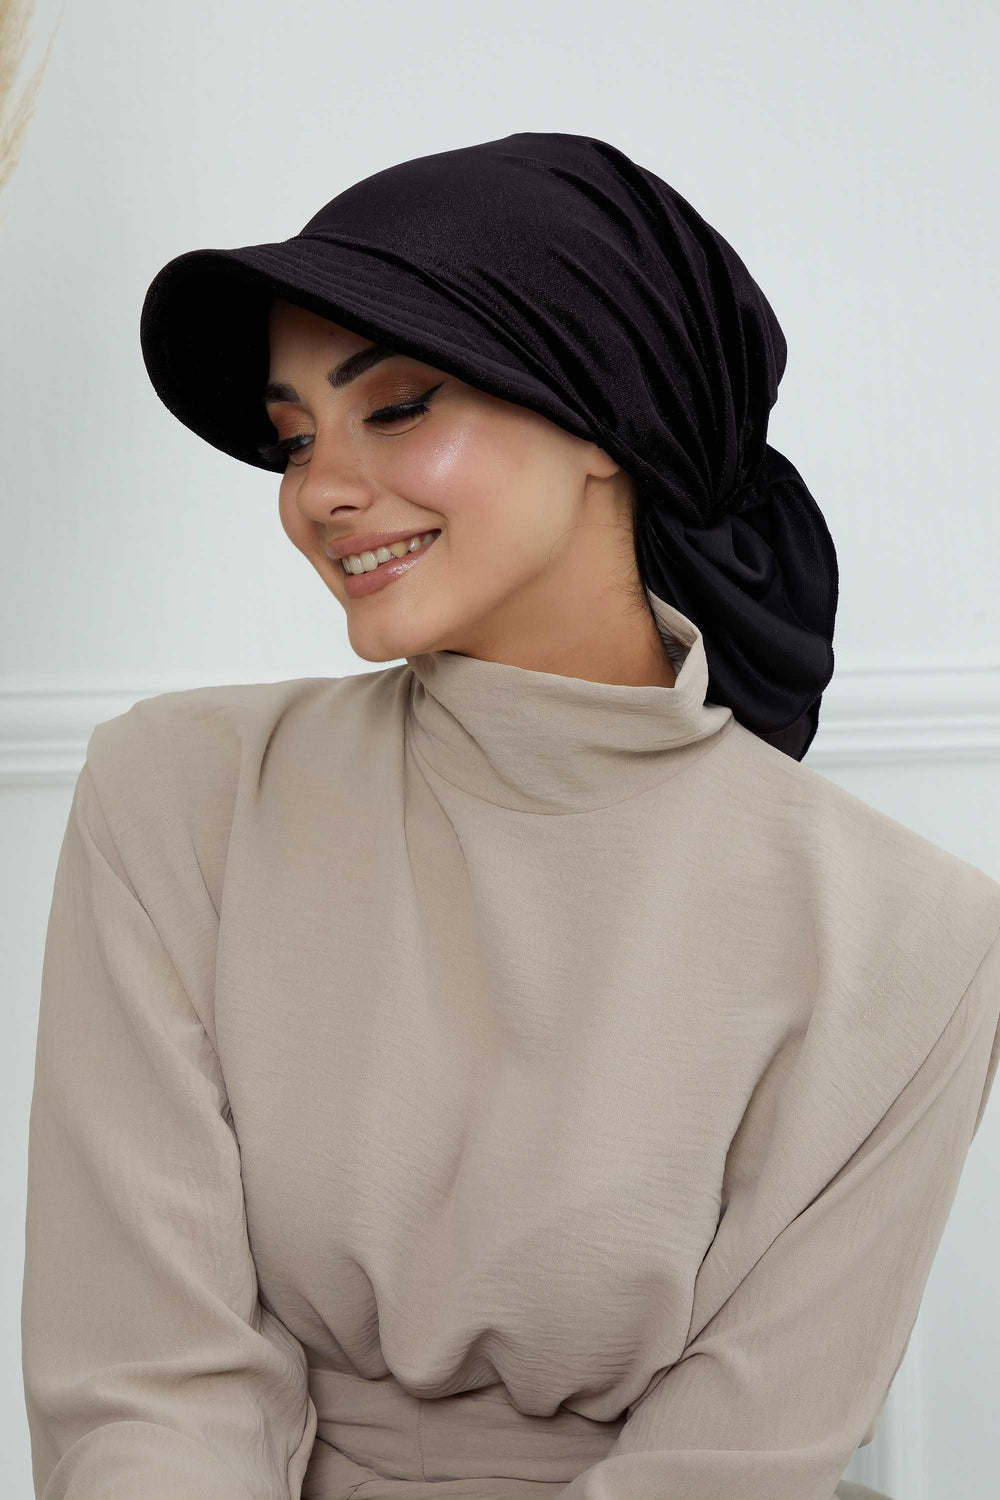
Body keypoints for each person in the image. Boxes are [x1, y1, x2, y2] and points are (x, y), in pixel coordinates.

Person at [20, 132, 1000, 1500]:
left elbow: (736, 1457)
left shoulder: (914, 933)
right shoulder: (181, 792)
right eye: (295, 437)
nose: (318, 492)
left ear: (606, 416)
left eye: (397, 406)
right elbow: (147, 1386)